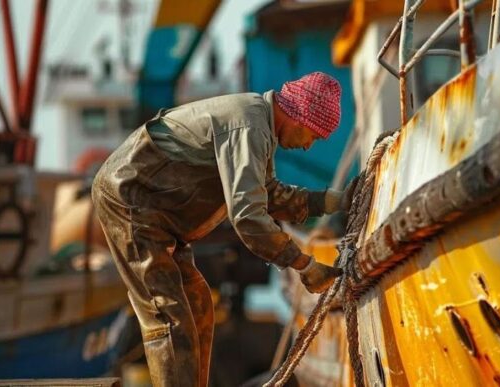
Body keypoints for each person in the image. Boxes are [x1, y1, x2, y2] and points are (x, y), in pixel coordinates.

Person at [92, 72, 348, 387]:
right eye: (314, 136)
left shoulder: (258, 125)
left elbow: (265, 193)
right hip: (133, 202)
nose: (309, 147)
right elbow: (248, 216)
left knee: (199, 306)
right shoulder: (249, 125)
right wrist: (303, 264)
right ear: (300, 116)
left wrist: (329, 201)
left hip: (160, 214)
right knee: (168, 314)